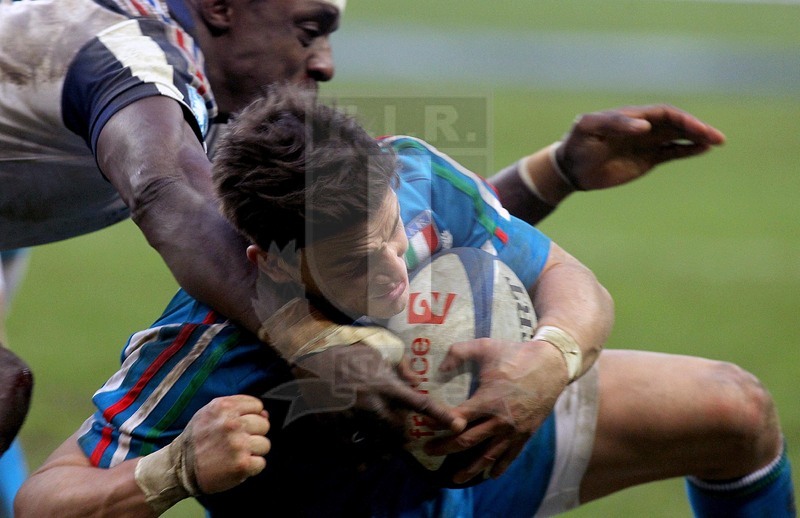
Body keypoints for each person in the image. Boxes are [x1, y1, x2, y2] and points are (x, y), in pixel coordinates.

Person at [15, 88, 793, 517]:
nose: (396, 269)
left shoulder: (412, 177)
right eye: (356, 262)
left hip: (492, 458)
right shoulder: (204, 345)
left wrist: (546, 364)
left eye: (393, 237)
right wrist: (175, 470)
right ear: (269, 264)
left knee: (734, 408)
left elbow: (569, 278)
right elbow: (45, 500)